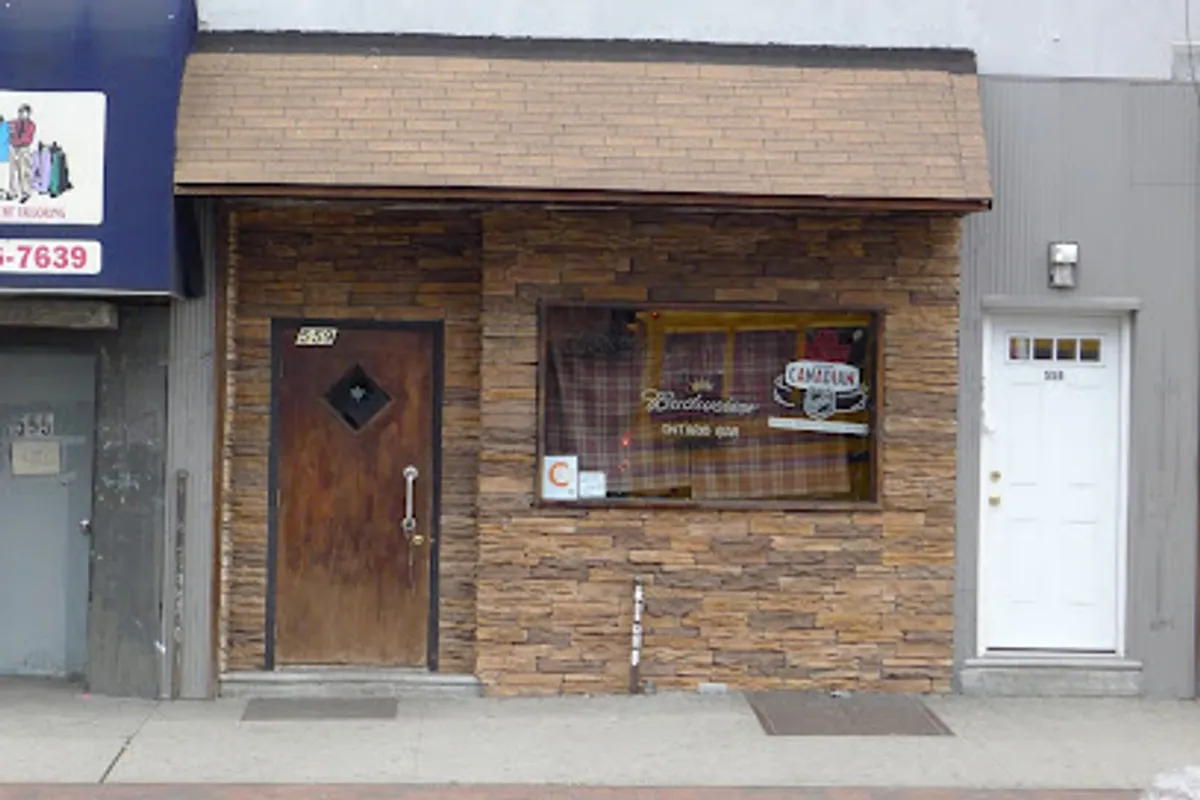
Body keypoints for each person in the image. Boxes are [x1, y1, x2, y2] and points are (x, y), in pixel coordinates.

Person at [8, 104, 36, 203]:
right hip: (13, 148)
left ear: (28, 114)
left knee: (24, 171)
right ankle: (13, 192)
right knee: (13, 172)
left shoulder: (31, 125)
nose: (21, 114)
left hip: (24, 148)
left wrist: (15, 140)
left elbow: (27, 138)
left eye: (23, 112)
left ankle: (26, 192)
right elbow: (8, 129)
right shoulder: (14, 123)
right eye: (20, 112)